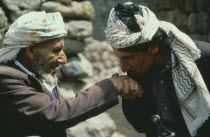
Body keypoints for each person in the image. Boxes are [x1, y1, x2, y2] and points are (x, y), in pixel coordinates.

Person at [0, 11, 143, 137]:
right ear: (31, 51)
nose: (63, 59)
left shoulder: (38, 74)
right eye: (56, 50)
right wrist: (110, 87)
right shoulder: (6, 77)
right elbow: (56, 113)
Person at [105, 2, 210, 137]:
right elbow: (141, 126)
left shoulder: (203, 60)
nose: (124, 68)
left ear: (153, 48)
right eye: (119, 58)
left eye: (128, 58)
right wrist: (132, 99)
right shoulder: (137, 72)